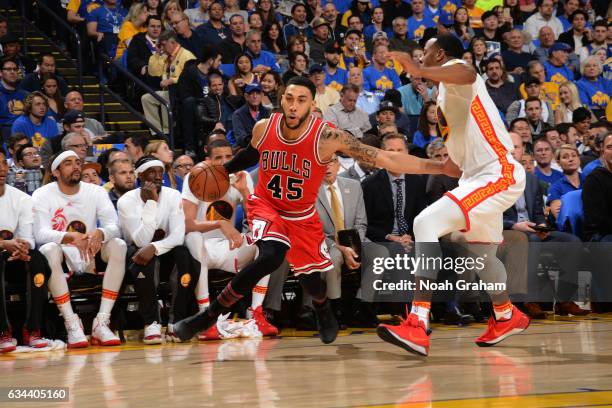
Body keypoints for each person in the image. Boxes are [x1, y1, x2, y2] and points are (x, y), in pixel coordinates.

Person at [172, 75, 460, 343]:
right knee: (270, 255)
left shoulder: (328, 138)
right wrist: (221, 170)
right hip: (267, 205)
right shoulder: (264, 126)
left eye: (301, 100)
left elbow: (385, 158)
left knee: (312, 281)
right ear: (282, 98)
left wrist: (438, 166)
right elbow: (250, 153)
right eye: (289, 98)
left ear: (312, 104)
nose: (293, 105)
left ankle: (322, 309)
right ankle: (208, 317)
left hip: (301, 215)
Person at [376, 34, 529, 357]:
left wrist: (418, 68)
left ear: (440, 54)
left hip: (497, 172)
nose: (422, 55)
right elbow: (448, 168)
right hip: (476, 176)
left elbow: (468, 73)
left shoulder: (457, 71)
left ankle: (418, 322)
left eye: (426, 52)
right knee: (480, 254)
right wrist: (378, 157)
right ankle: (505, 314)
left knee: (425, 223)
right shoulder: (447, 97)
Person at [175, 139, 277, 341]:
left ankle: (255, 312)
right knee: (194, 238)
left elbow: (255, 219)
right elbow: (187, 224)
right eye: (218, 158)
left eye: (229, 157)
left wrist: (245, 192)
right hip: (201, 247)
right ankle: (206, 316)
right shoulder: (194, 177)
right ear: (207, 160)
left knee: (267, 237)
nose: (224, 162)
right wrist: (221, 224)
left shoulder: (242, 175)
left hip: (228, 248)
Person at [33, 151, 127, 348]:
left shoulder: (96, 191)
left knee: (119, 245)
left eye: (78, 162)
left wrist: (100, 232)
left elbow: (114, 226)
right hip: (62, 252)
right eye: (68, 163)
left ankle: (101, 322)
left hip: (91, 249)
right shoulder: (42, 194)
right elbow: (39, 234)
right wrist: (70, 237)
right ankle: (71, 322)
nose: (76, 166)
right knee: (48, 249)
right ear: (56, 172)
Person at [117, 156, 190, 344]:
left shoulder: (173, 195)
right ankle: (151, 322)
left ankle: (177, 321)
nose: (158, 177)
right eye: (152, 172)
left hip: (164, 250)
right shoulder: (126, 201)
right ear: (140, 176)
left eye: (161, 172)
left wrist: (155, 247)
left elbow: (178, 236)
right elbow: (141, 240)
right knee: (143, 260)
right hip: (135, 255)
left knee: (184, 255)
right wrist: (151, 203)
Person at [0, 150, 51, 352]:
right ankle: (3, 330)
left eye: (4, 163)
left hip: (14, 254)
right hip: (3, 251)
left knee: (37, 259)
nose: (1, 169)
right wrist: (4, 244)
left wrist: (23, 248)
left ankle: (33, 328)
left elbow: (28, 236)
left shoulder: (21, 198)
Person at [142, 31, 196, 136]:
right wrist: (157, 54)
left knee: (165, 98)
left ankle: (167, 132)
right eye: (160, 45)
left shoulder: (186, 55)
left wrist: (172, 80)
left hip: (183, 92)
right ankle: (156, 131)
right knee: (146, 98)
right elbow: (153, 72)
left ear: (172, 42)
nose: (161, 47)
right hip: (169, 91)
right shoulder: (166, 56)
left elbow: (191, 77)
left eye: (163, 44)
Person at [232, 83, 271, 147]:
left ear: (261, 95)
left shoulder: (268, 112)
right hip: (247, 148)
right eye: (251, 93)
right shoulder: (238, 114)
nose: (255, 96)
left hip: (267, 146)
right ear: (246, 96)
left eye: (257, 93)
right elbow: (240, 138)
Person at [0, 57, 28, 140]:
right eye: (8, 69)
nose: (12, 72)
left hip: (26, 134)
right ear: (1, 73)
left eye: (15, 69)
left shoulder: (26, 94)